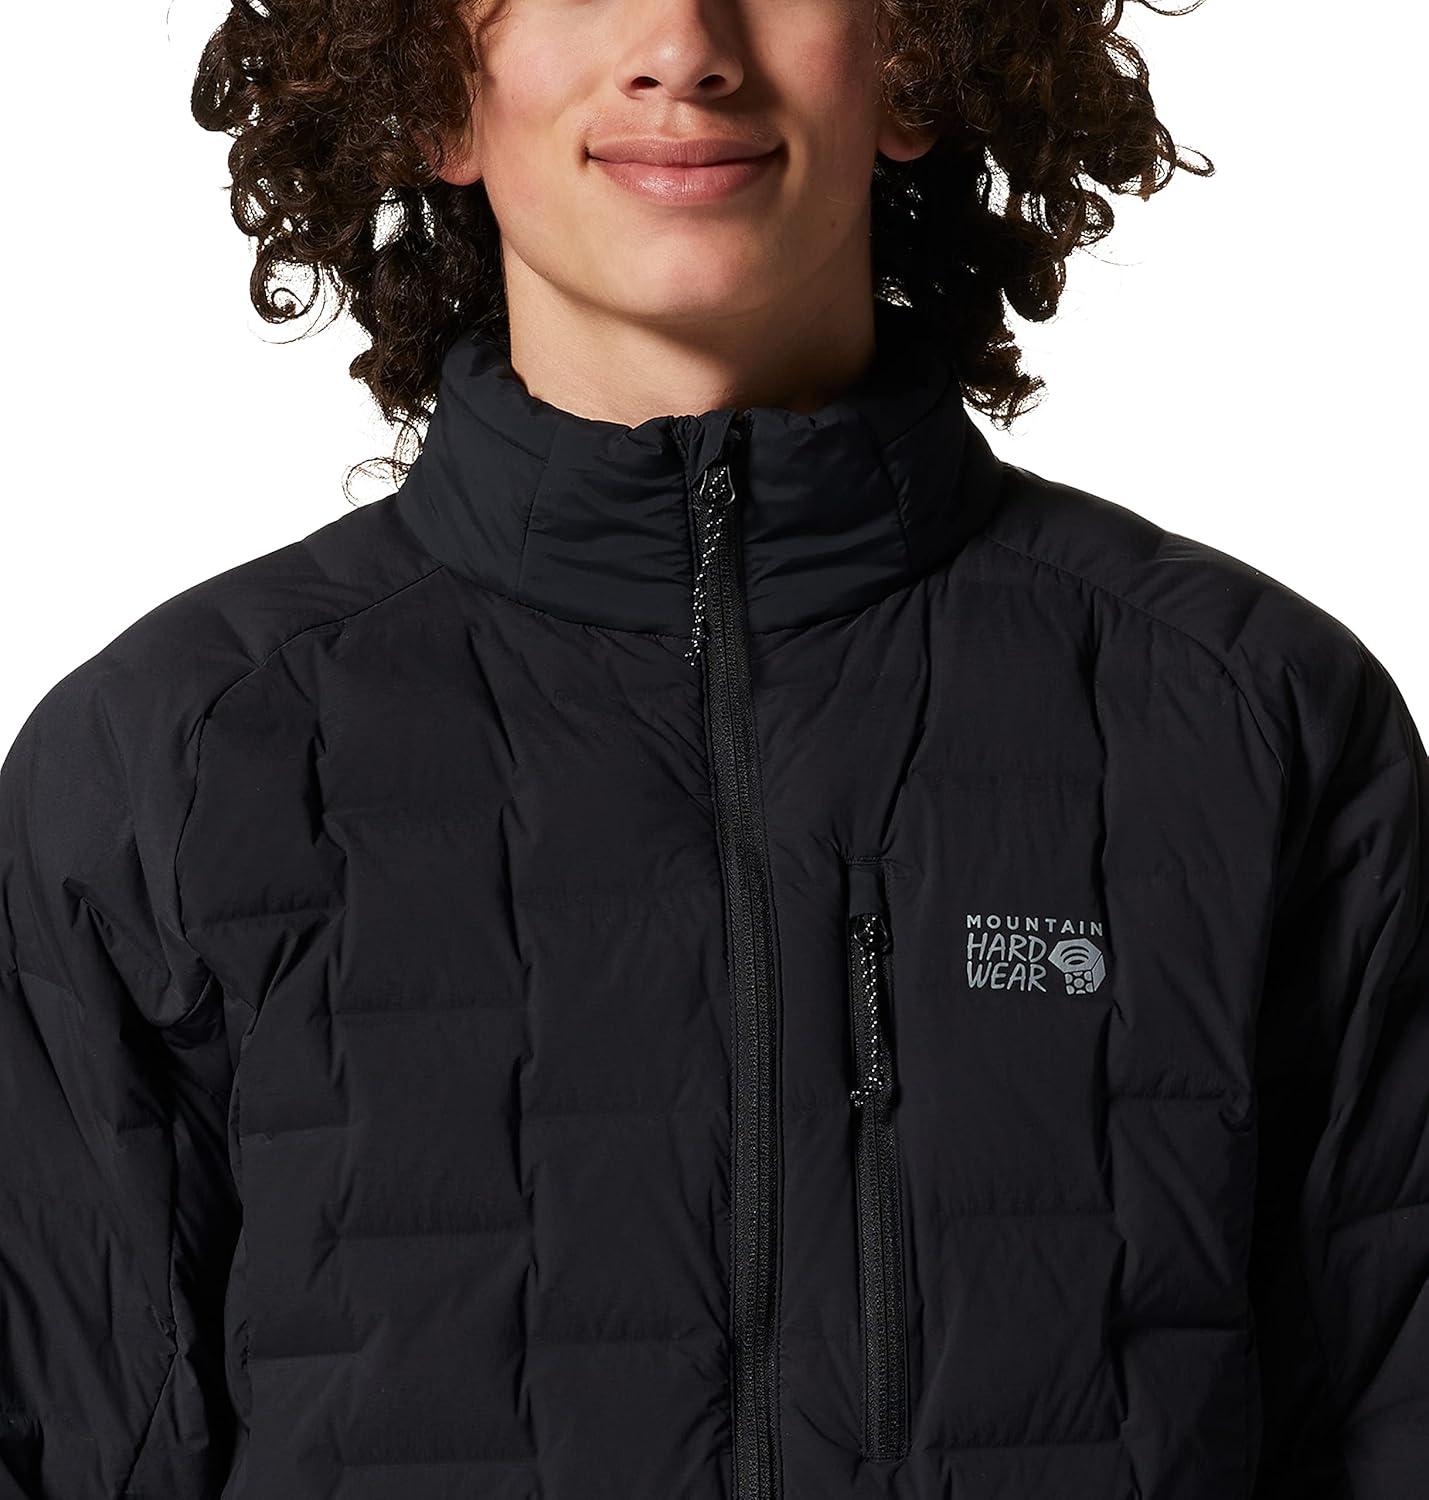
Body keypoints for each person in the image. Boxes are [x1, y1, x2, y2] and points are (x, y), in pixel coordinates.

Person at [2, 1, 1425, 1496]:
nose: (682, 46)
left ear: (914, 59)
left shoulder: (1253, 717)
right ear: (430, 91)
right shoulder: (174, 758)